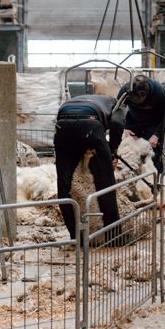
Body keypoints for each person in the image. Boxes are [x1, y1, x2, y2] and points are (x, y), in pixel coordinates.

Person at [53, 94, 125, 239]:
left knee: (64, 184)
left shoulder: (77, 100)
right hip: (91, 125)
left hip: (63, 125)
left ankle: (76, 235)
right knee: (105, 184)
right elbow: (117, 123)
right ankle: (113, 237)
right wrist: (112, 151)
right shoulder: (117, 104)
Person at [115, 73, 165, 174]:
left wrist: (156, 135)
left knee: (152, 156)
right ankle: (133, 183)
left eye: (137, 100)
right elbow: (117, 111)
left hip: (153, 125)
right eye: (131, 99)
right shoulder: (126, 90)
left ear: (144, 94)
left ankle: (154, 184)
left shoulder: (159, 92)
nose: (134, 102)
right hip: (133, 122)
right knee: (129, 154)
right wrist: (124, 127)